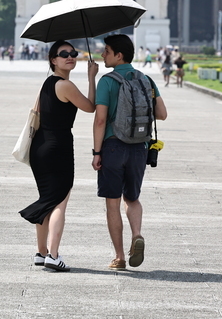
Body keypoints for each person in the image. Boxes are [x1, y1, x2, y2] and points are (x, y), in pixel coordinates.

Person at [19, 41, 98, 272]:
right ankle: (53, 255)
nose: (70, 57)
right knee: (59, 202)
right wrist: (92, 77)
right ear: (53, 59)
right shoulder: (65, 85)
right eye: (64, 54)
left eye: (73, 53)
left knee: (48, 200)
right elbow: (90, 107)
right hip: (57, 147)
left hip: (40, 147)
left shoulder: (47, 83)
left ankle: (41, 252)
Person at [92, 34, 168, 271]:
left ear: (119, 55)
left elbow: (100, 120)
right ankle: (137, 234)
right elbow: (162, 114)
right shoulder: (145, 79)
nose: (102, 54)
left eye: (106, 51)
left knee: (112, 204)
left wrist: (96, 152)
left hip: (113, 147)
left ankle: (119, 257)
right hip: (139, 148)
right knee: (132, 198)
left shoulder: (107, 81)